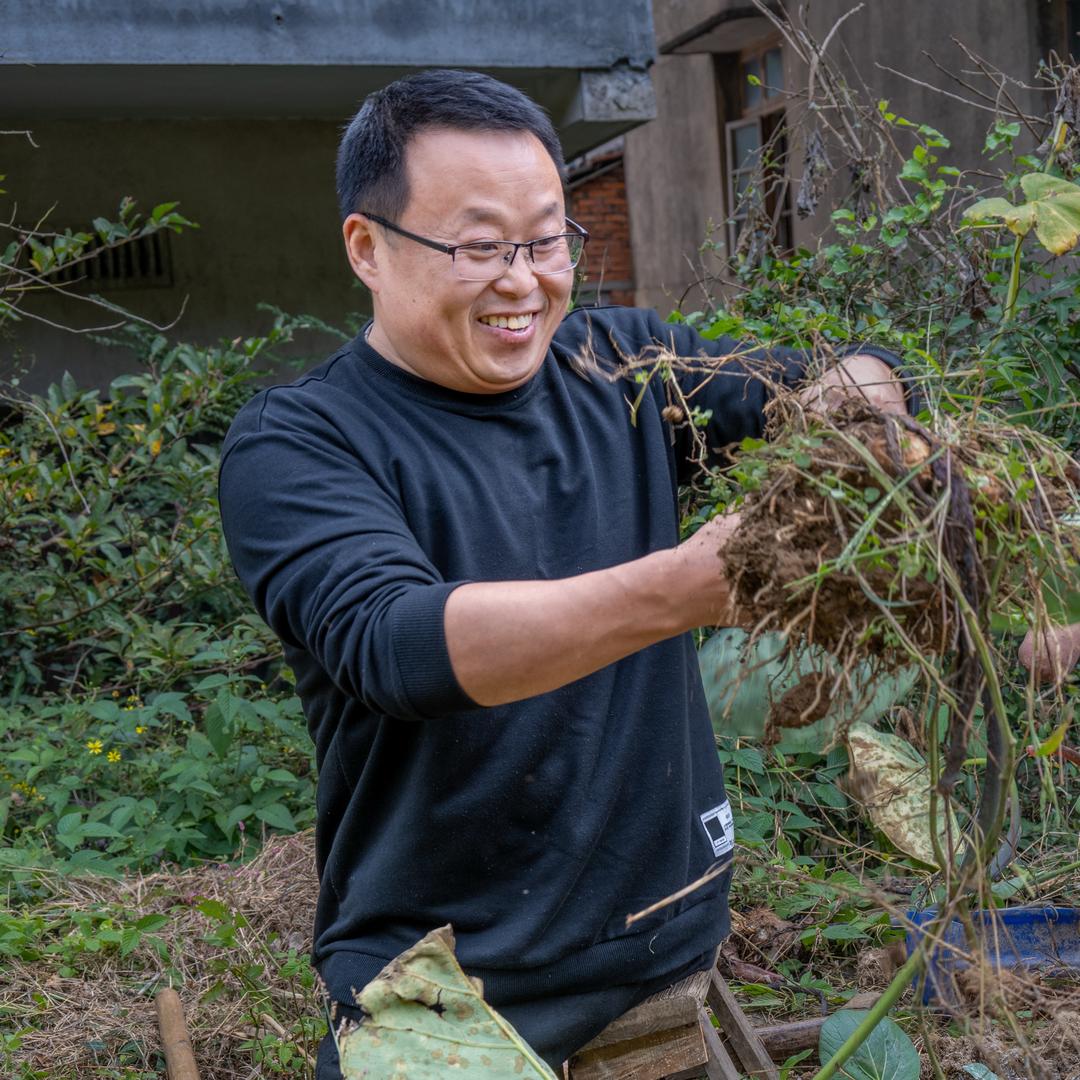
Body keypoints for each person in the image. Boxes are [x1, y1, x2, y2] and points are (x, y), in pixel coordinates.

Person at [217, 69, 912, 1077]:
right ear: (367, 247)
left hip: (665, 933)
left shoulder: (618, 365)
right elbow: (398, 645)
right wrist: (682, 587)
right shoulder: (301, 442)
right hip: (451, 977)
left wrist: (862, 410)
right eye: (479, 246)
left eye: (546, 241)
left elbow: (830, 374)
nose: (523, 280)